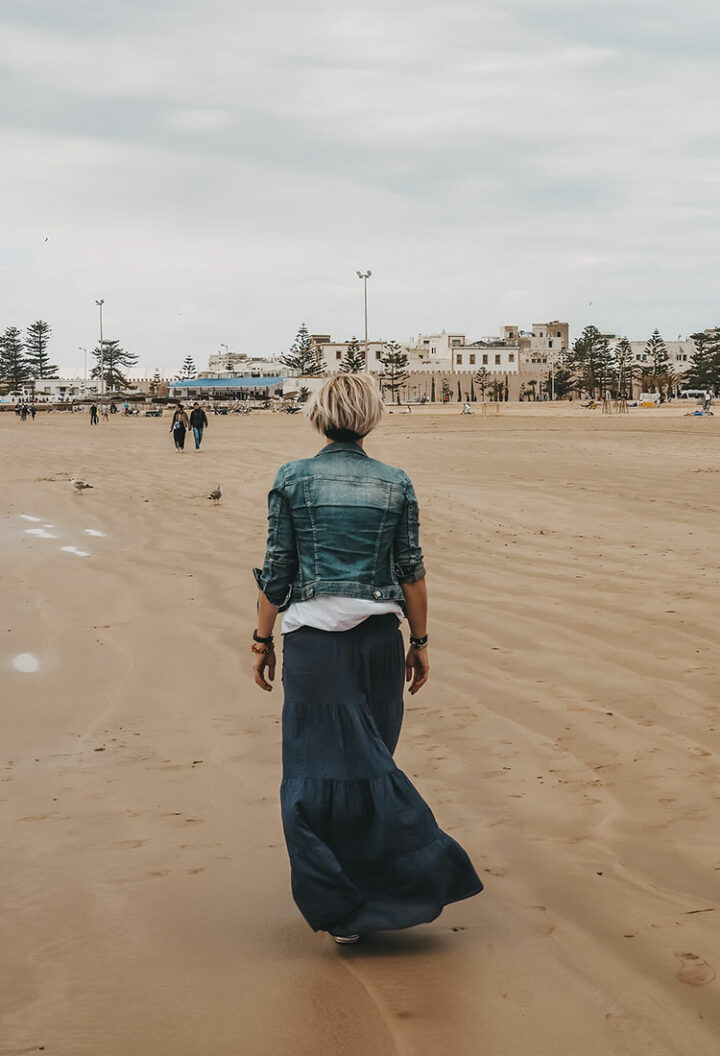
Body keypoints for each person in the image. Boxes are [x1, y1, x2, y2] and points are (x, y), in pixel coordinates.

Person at [252, 374, 482, 944]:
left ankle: (344, 906)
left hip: (314, 649)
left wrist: (262, 640)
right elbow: (411, 570)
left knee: (319, 775)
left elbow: (277, 569)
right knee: (369, 762)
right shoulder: (394, 483)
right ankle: (374, 894)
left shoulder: (292, 478)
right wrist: (420, 642)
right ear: (372, 416)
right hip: (379, 643)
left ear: (318, 414)